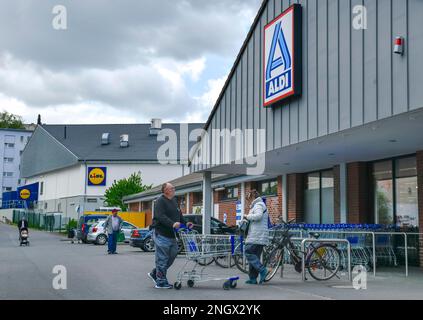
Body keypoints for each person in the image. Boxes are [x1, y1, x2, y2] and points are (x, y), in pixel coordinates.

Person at [148, 183, 191, 289]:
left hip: (172, 234)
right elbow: (160, 216)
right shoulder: (160, 201)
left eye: (174, 187)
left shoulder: (174, 200)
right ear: (165, 190)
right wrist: (172, 223)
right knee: (162, 258)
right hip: (161, 233)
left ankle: (156, 273)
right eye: (172, 188)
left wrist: (186, 224)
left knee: (172, 255)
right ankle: (161, 282)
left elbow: (179, 215)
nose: (174, 189)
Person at [243, 190, 269, 285]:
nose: (248, 201)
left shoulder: (259, 205)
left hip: (256, 235)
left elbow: (258, 216)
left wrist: (247, 216)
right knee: (254, 257)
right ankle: (253, 278)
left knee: (248, 252)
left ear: (252, 197)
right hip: (258, 235)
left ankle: (263, 270)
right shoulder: (259, 205)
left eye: (248, 199)